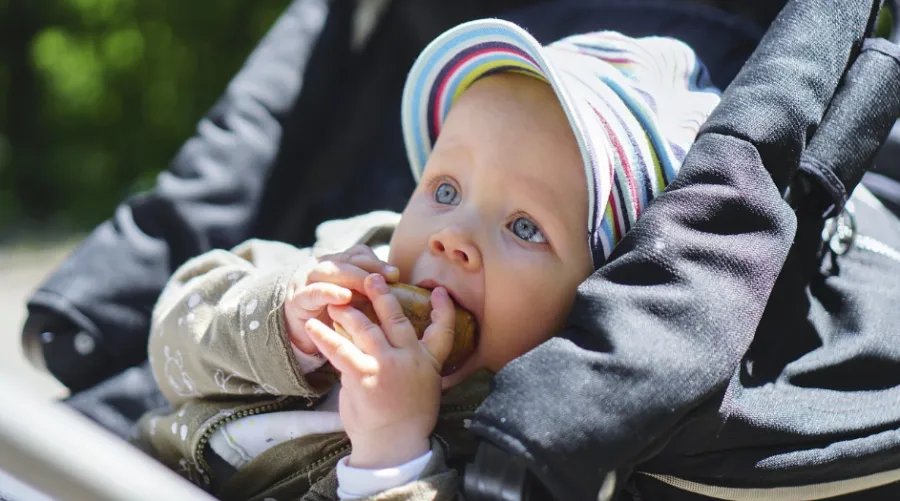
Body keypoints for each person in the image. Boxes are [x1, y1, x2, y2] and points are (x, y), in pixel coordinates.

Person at [130, 20, 721, 500]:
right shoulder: (343, 259)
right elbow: (169, 344)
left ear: (594, 291)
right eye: (445, 191)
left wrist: (395, 453)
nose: (452, 236)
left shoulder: (516, 440)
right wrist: (280, 322)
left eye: (524, 226)